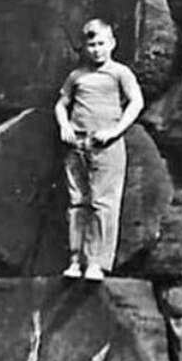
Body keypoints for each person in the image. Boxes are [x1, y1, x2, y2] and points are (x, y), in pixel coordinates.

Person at [54, 18, 144, 281]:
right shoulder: (77, 76)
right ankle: (75, 260)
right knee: (77, 202)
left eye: (101, 43)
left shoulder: (119, 73)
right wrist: (64, 126)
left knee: (102, 203)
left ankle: (96, 262)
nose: (96, 49)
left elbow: (136, 102)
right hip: (77, 144)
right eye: (91, 44)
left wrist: (115, 131)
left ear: (112, 44)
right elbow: (61, 104)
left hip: (106, 144)